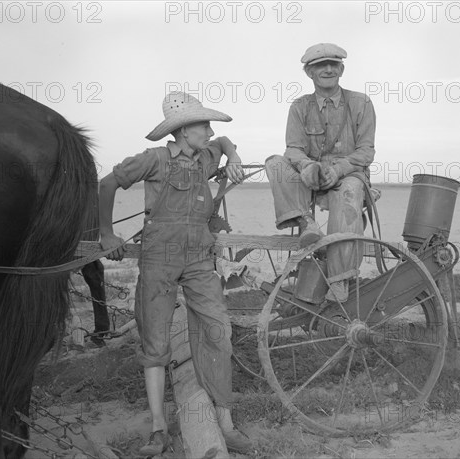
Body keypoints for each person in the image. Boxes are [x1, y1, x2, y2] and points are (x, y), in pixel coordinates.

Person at [98, 91, 252, 455]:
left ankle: (226, 425)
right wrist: (106, 233)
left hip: (200, 260)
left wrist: (233, 156)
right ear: (184, 130)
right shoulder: (152, 160)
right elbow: (106, 184)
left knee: (218, 331)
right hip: (159, 260)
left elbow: (226, 140)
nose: (210, 130)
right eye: (204, 124)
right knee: (156, 343)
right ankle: (157, 430)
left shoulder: (207, 155)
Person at [265, 43, 377, 303]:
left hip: (348, 175)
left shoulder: (361, 103)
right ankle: (306, 222)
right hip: (312, 177)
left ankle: (339, 279)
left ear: (341, 69)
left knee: (349, 192)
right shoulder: (300, 106)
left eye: (333, 65)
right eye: (320, 66)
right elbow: (293, 149)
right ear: (309, 73)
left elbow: (366, 151)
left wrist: (338, 170)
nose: (327, 69)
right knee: (274, 163)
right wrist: (307, 167)